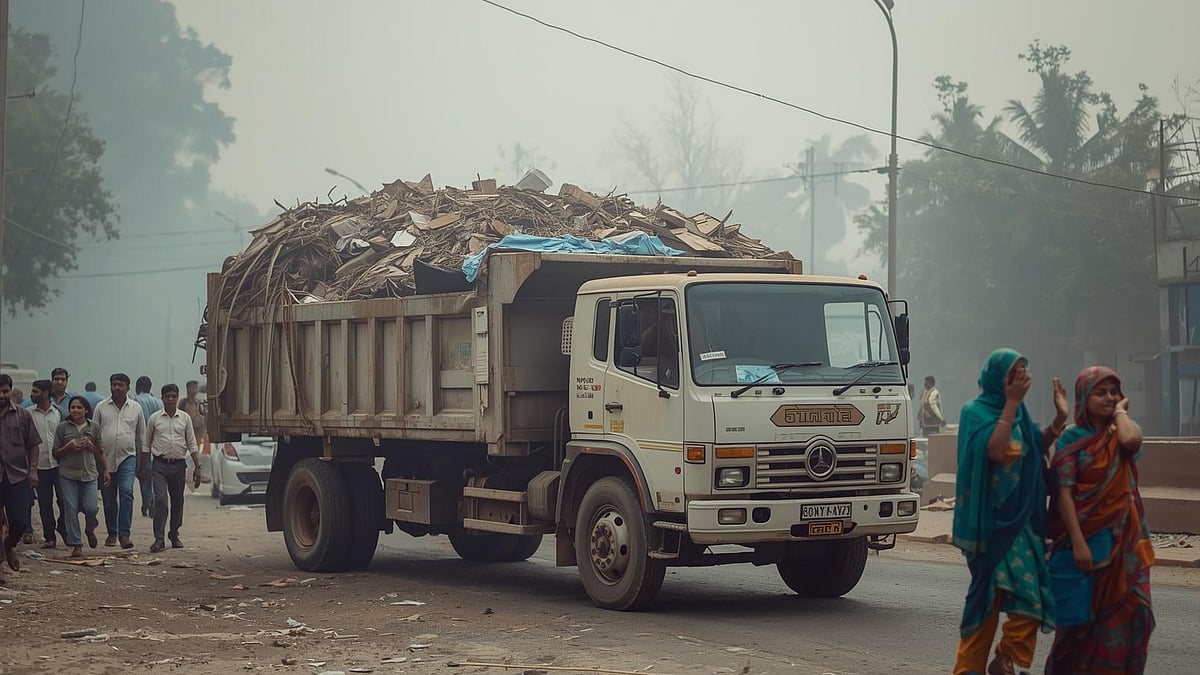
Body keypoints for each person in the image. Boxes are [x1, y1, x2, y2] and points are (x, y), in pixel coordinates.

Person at [952, 349, 1067, 675]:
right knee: (985, 606)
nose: (1020, 380)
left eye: (1023, 373)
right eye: (1013, 373)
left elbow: (1035, 446)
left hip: (1023, 524)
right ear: (996, 376)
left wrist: (1059, 419)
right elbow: (995, 450)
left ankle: (1005, 658)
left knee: (1031, 598)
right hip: (990, 526)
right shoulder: (975, 411)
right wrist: (1012, 402)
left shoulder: (1019, 414)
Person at [1045, 367, 1155, 674]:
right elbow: (1064, 495)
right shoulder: (1072, 440)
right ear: (1084, 397)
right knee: (1079, 630)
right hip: (1086, 547)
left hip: (1125, 547)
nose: (1109, 398)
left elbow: (1133, 440)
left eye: (1114, 392)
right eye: (1100, 392)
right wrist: (1079, 544)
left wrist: (1120, 413)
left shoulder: (1120, 433)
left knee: (1135, 617)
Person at [142, 384, 202, 552]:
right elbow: (146, 445)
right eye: (167, 396)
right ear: (162, 398)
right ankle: (159, 538)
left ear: (177, 397)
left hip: (178, 466)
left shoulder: (184, 418)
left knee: (178, 501)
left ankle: (174, 534)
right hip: (159, 465)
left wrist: (198, 467)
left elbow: (192, 444)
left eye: (173, 396)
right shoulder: (154, 419)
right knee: (161, 501)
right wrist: (142, 469)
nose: (170, 399)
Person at [93, 373, 145, 549]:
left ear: (128, 387)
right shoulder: (101, 408)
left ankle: (124, 534)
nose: (116, 388)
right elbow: (94, 435)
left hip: (127, 457)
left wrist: (142, 464)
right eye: (114, 384)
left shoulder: (136, 408)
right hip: (105, 459)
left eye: (120, 385)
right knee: (108, 499)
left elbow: (141, 438)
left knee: (126, 493)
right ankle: (112, 533)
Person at [52, 396, 108, 558]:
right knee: (71, 508)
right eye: (73, 407)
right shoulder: (62, 428)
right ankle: (76, 544)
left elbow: (100, 452)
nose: (75, 410)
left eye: (79, 407)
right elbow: (55, 453)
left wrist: (105, 469)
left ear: (86, 410)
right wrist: (69, 446)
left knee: (91, 507)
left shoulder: (94, 427)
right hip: (67, 474)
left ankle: (90, 526)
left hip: (89, 474)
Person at [0, 373, 41, 585]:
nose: (1, 395)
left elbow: (33, 443)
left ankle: (9, 545)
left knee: (20, 521)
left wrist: (33, 470)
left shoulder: (23, 415)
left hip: (17, 476)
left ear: (10, 391)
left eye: (5, 391)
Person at [28, 380, 66, 549]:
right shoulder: (27, 414)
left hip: (59, 465)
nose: (32, 394)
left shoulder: (59, 413)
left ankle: (63, 526)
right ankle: (49, 537)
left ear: (45, 393)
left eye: (35, 392)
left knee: (65, 501)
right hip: (39, 467)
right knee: (44, 503)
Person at [133, 376, 163, 518]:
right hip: (156, 443)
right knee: (152, 474)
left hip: (140, 444)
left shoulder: (136, 401)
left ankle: (148, 500)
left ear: (138, 387)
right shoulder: (158, 402)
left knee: (142, 474)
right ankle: (152, 500)